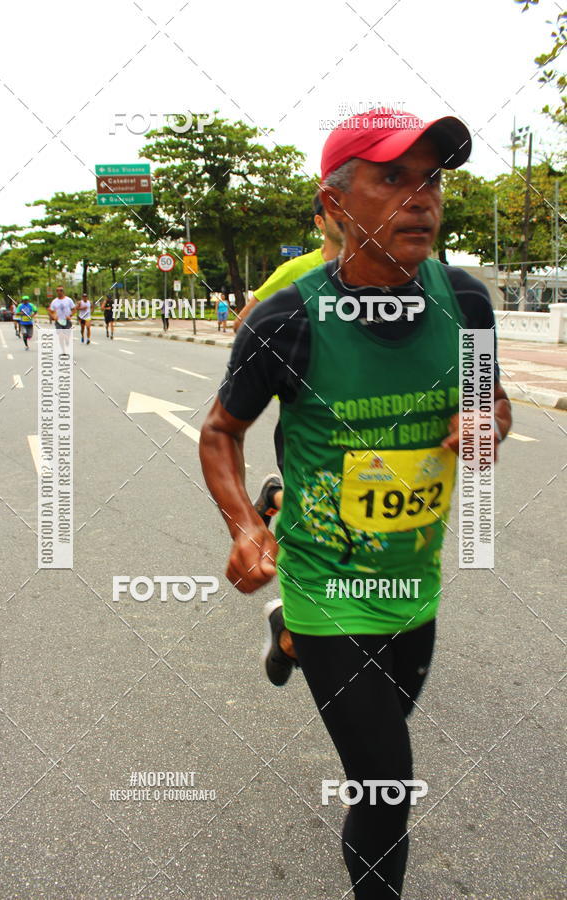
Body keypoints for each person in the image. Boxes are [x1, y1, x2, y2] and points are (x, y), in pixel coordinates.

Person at [199, 109, 512, 899]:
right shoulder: (289, 320)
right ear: (336, 205)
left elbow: (493, 404)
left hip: (412, 582)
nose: (422, 199)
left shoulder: (467, 303)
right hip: (325, 582)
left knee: (388, 740)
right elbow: (220, 431)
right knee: (386, 784)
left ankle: (285, 639)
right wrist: (244, 526)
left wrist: (486, 423)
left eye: (433, 179)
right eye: (393, 178)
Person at [234, 190, 344, 333]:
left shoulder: (376, 272)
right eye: (337, 211)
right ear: (319, 222)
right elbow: (242, 324)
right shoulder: (294, 270)